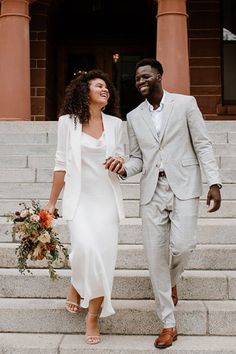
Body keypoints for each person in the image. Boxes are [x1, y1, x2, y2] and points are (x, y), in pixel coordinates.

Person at [105, 58, 222, 349]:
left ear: (159, 75)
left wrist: (214, 182)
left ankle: (169, 282)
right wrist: (123, 168)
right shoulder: (133, 116)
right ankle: (168, 324)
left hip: (183, 185)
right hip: (151, 192)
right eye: (136, 79)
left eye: (145, 76)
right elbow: (137, 158)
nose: (140, 81)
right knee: (155, 257)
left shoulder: (185, 104)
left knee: (184, 245)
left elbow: (203, 143)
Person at [45, 70, 124, 345]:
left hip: (106, 201)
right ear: (84, 91)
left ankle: (93, 315)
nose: (105, 90)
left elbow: (123, 159)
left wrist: (120, 162)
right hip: (79, 199)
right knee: (83, 248)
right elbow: (61, 162)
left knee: (103, 258)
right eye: (98, 86)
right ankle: (77, 284)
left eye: (107, 87)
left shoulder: (116, 124)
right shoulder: (67, 122)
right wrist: (52, 202)